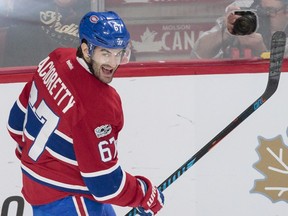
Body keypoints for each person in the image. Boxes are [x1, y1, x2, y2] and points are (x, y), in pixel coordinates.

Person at [7, 11, 164, 215]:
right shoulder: (99, 103)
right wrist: (144, 194)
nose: (113, 63)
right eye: (105, 53)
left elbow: (15, 121)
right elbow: (106, 184)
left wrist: (34, 159)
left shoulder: (56, 59)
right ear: (86, 50)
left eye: (118, 53)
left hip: (39, 186)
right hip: (69, 200)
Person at [191, 0, 288, 59]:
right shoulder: (246, 7)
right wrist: (226, 32)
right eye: (260, 10)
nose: (263, 17)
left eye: (270, 11)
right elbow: (196, 56)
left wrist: (261, 52)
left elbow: (281, 77)